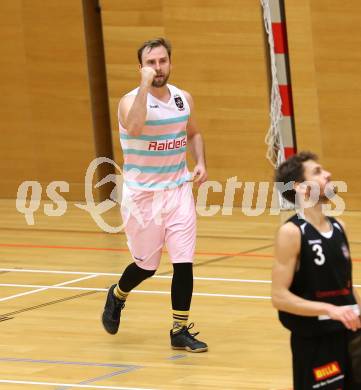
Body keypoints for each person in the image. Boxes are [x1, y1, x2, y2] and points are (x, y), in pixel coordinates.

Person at [101, 37, 208, 352]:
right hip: (142, 197)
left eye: (162, 61)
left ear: (170, 63)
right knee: (146, 266)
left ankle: (179, 330)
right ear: (141, 67)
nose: (158, 68)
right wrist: (144, 87)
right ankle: (118, 295)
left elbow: (194, 132)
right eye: (151, 63)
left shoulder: (182, 98)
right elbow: (134, 128)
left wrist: (200, 161)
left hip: (177, 191)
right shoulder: (130, 101)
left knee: (183, 262)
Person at [271, 151, 361, 389]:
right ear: (300, 187)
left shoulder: (340, 226)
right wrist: (329, 309)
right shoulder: (291, 233)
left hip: (349, 336)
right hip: (315, 340)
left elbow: (347, 287)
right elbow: (279, 297)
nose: (328, 174)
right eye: (318, 172)